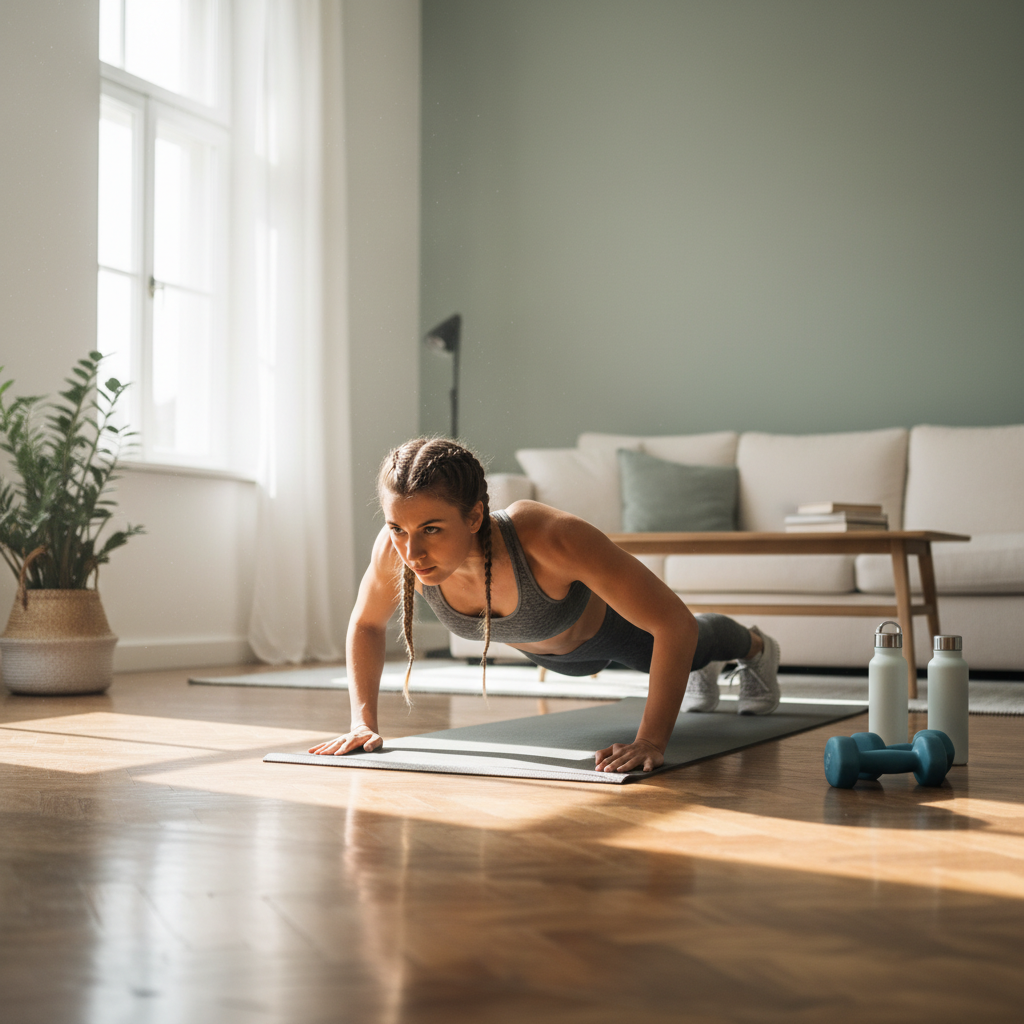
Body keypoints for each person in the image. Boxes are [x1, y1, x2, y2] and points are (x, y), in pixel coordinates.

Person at [309, 438, 781, 773]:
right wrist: (361, 723)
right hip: (555, 655)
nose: (411, 552)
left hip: (611, 633)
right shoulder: (394, 550)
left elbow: (673, 624)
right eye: (397, 528)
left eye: (431, 529)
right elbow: (366, 624)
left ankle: (758, 646)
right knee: (684, 650)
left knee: (694, 641)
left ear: (474, 516)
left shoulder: (548, 537)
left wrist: (651, 741)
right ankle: (700, 669)